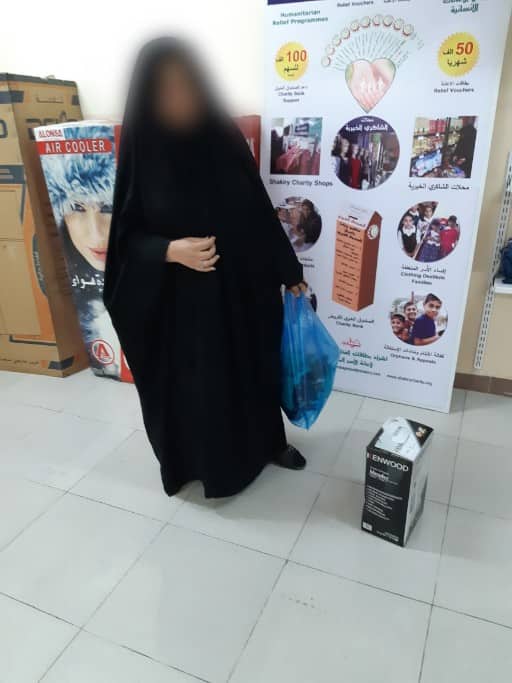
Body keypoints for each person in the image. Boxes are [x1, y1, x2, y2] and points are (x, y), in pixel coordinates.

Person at [103, 38, 308, 499]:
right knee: (203, 388)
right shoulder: (143, 153)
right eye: (166, 89)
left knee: (256, 369)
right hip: (184, 306)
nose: (181, 98)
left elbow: (257, 207)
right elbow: (124, 243)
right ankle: (206, 466)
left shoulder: (222, 135)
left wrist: (288, 268)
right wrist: (169, 251)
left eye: (187, 84)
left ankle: (270, 444)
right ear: (148, 96)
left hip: (244, 289)